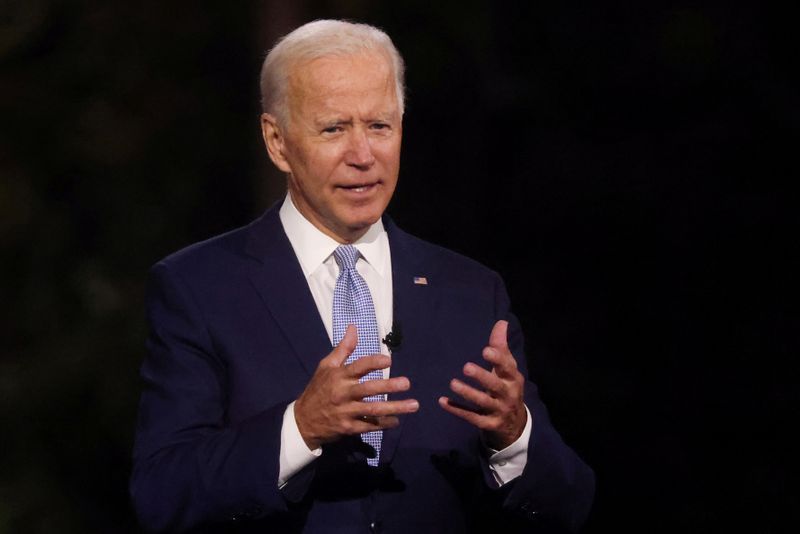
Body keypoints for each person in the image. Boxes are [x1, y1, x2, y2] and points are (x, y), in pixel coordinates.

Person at [130, 19, 594, 533]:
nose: (363, 155)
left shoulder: (471, 293)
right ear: (277, 141)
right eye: (334, 128)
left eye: (380, 126)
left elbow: (567, 505)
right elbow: (162, 495)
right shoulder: (199, 288)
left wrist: (515, 437)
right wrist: (299, 429)